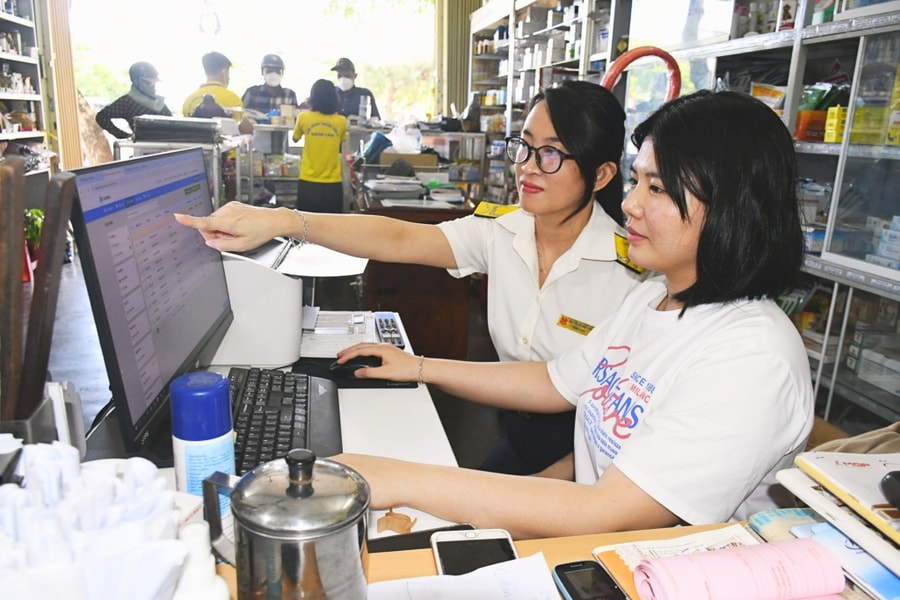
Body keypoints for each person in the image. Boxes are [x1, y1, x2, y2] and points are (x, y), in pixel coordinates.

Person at [189, 90, 815, 539]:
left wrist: (395, 477)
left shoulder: (749, 354)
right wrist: (418, 368)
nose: (632, 205)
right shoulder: (655, 296)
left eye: (658, 189)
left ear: (733, 207)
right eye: (638, 181)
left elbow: (610, 511)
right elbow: (554, 379)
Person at [174, 80, 646, 476]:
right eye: (524, 146)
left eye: (551, 155)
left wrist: (549, 490)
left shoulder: (634, 277)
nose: (525, 167)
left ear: (601, 175)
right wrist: (281, 222)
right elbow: (397, 239)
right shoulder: (503, 231)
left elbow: (617, 432)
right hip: (517, 435)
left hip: (590, 457)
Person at [291, 79, 347, 213]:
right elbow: (342, 139)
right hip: (333, 183)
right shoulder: (341, 121)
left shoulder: (303, 118)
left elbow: (295, 138)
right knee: (331, 227)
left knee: (305, 225)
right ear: (334, 98)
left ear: (312, 97)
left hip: (308, 180)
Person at [95, 61, 171, 139]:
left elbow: (174, 126)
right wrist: (123, 135)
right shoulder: (127, 102)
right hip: (142, 148)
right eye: (148, 82)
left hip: (166, 147)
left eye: (154, 83)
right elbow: (101, 117)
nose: (153, 87)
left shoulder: (159, 103)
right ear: (136, 82)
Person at [182, 51, 251, 134]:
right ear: (224, 71)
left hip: (196, 146)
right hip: (225, 146)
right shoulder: (231, 97)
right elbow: (246, 129)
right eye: (228, 72)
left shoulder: (189, 100)